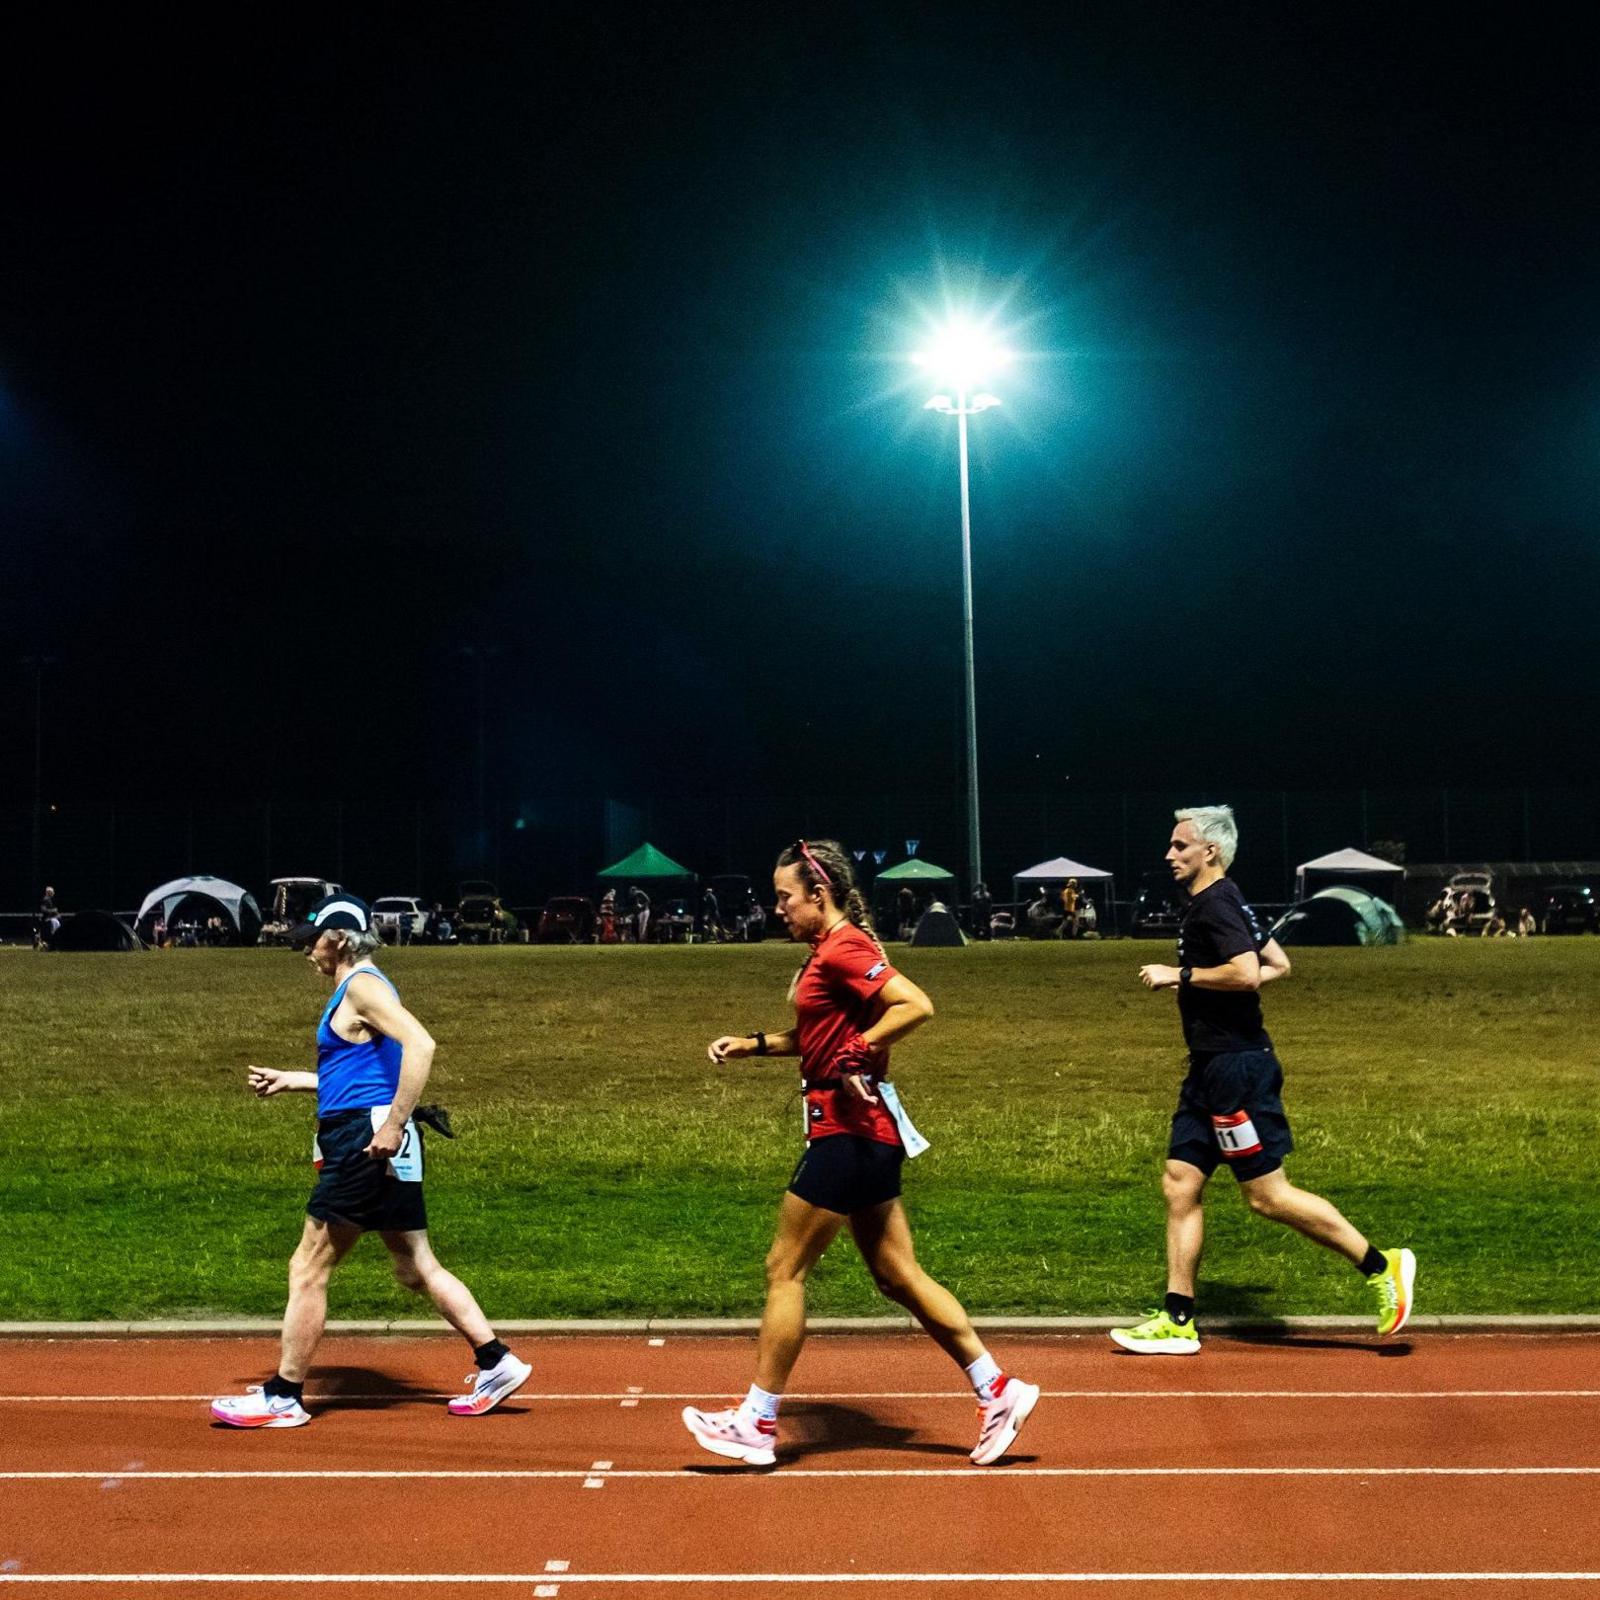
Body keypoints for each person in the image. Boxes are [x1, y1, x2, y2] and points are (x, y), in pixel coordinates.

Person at [682, 838, 1039, 1467]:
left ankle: (756, 1423)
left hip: (846, 1130)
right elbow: (821, 1033)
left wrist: (858, 1049)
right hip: (867, 1131)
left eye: (785, 897)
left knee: (783, 1269)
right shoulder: (832, 949)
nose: (777, 909)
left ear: (819, 895)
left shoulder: (845, 947)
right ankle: (998, 1390)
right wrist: (754, 1043)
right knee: (897, 1275)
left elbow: (916, 1004)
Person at [211, 894, 529, 1427]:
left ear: (337, 939)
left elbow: (421, 1045)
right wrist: (299, 1081)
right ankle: (497, 1361)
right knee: (414, 1265)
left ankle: (284, 1395)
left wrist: (393, 1124)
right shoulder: (362, 986)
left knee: (307, 1266)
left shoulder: (360, 985)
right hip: (374, 1135)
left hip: (365, 1140)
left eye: (310, 941)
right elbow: (368, 1072)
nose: (305, 951)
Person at [1114, 806, 1416, 1354]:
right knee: (1180, 1183)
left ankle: (1381, 1265)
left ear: (1211, 852)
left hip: (1237, 1072)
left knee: (1267, 1197)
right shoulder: (1224, 901)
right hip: (1208, 1068)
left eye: (1180, 846)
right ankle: (1177, 1319)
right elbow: (1278, 962)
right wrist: (1210, 986)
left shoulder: (1217, 903)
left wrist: (1179, 975)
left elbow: (1250, 972)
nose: (1169, 855)